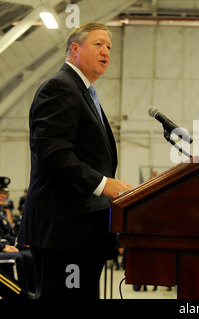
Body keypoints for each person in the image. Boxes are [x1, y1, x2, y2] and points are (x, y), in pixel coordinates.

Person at [17, 23, 134, 299]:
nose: (106, 51)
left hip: (80, 233)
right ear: (75, 49)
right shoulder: (60, 87)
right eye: (98, 44)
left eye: (109, 47)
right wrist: (104, 184)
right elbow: (54, 154)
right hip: (64, 232)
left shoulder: (84, 92)